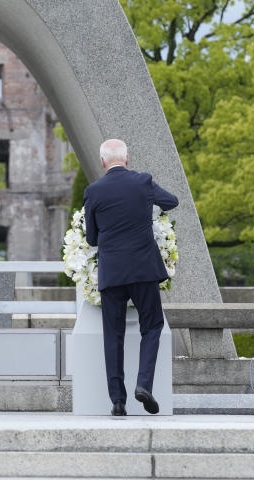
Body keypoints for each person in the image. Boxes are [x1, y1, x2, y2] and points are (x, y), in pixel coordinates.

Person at [83, 139, 178, 416]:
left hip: (112, 271)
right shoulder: (143, 181)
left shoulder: (94, 191)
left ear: (102, 162)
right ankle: (144, 384)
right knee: (152, 325)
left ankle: (117, 401)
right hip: (143, 268)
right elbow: (171, 201)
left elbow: (91, 238)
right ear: (127, 158)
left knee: (113, 334)